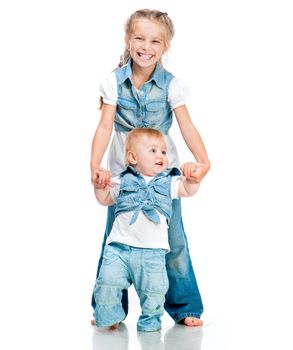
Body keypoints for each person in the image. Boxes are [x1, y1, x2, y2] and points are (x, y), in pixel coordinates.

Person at [91, 8, 210, 327]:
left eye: (155, 41)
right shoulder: (113, 82)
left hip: (162, 174)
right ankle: (109, 309)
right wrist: (95, 165)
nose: (146, 47)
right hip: (122, 174)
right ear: (128, 40)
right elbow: (105, 127)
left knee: (173, 238)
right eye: (139, 38)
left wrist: (203, 160)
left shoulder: (172, 86)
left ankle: (185, 305)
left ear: (165, 46)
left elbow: (186, 125)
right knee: (114, 238)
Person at [93, 128, 201, 332]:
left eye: (163, 151)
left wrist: (193, 179)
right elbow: (105, 199)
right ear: (132, 157)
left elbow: (187, 190)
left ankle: (150, 323)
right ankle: (110, 315)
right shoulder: (122, 180)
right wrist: (99, 186)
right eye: (153, 151)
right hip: (119, 249)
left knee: (154, 291)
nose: (161, 155)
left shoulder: (169, 182)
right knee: (107, 282)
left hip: (153, 253)